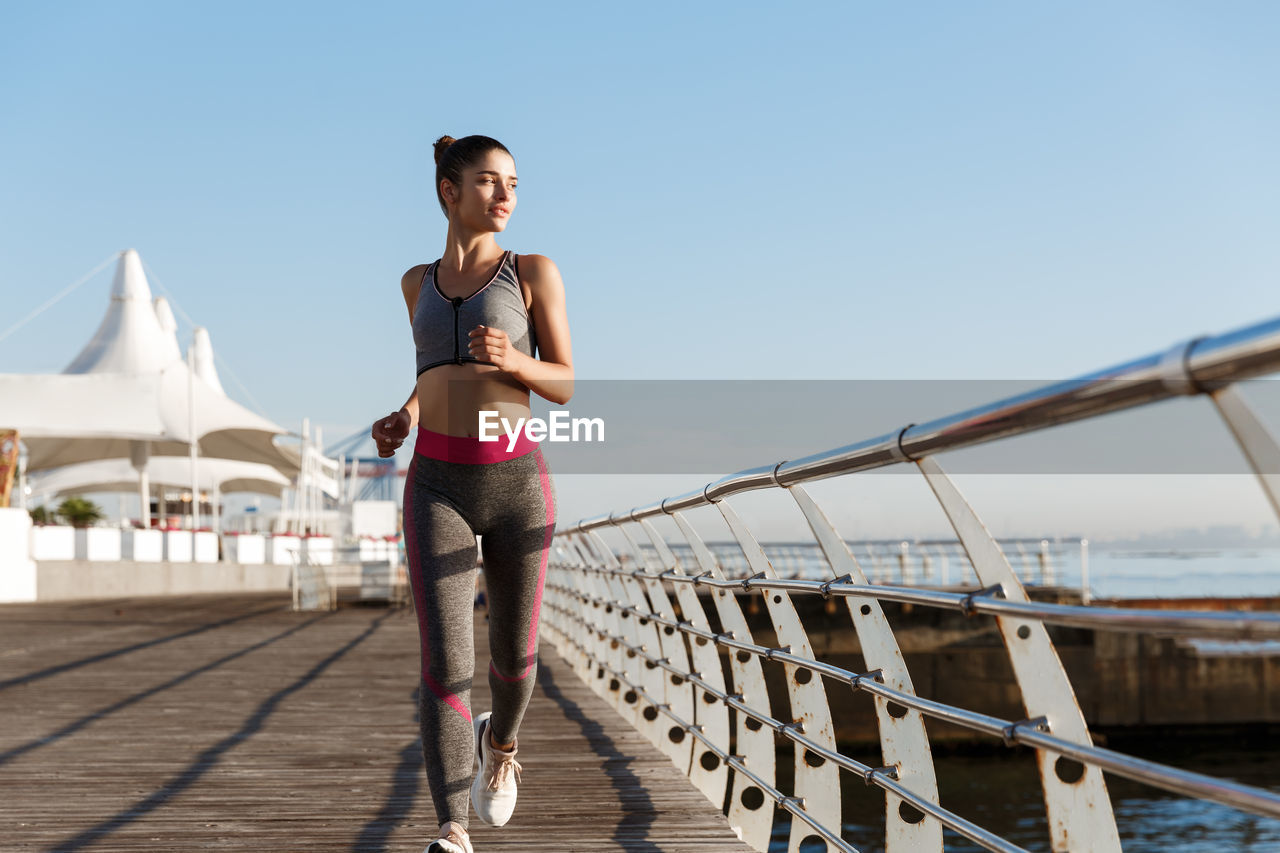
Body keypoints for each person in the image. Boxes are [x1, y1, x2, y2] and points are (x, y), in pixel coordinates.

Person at [370, 134, 573, 853]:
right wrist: (406, 416)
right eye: (489, 181)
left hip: (517, 482)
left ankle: (503, 740)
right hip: (437, 484)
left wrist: (516, 358)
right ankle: (453, 829)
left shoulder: (532, 271)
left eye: (513, 182)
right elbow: (432, 372)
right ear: (448, 192)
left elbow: (567, 383)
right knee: (443, 664)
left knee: (514, 659)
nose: (506, 195)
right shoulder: (414, 283)